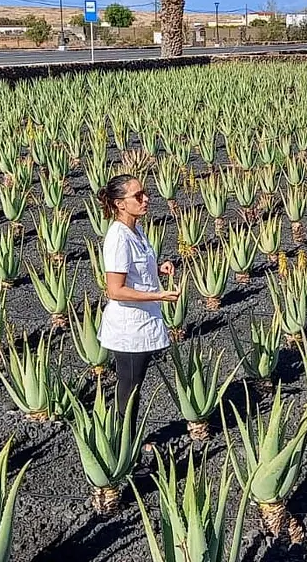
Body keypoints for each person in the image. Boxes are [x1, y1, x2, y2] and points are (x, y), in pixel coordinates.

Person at [97, 174, 180, 438]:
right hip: (128, 330)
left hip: (143, 323)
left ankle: (127, 443)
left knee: (135, 387)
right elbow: (115, 289)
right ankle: (123, 446)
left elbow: (134, 271)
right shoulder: (118, 237)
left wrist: (158, 269)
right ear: (121, 204)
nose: (146, 199)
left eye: (144, 193)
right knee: (129, 391)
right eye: (138, 196)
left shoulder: (137, 230)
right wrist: (159, 296)